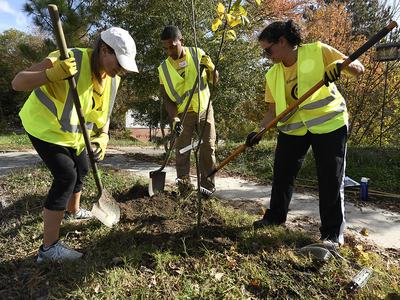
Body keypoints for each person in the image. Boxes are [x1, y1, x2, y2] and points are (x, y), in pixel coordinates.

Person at [12, 27, 138, 262]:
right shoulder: (70, 58)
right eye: (119, 62)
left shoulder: (113, 79)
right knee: (66, 176)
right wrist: (50, 74)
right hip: (44, 128)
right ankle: (48, 249)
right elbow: (18, 82)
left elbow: (106, 114)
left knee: (83, 167)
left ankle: (73, 211)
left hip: (73, 135)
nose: (121, 69)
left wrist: (104, 135)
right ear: (104, 50)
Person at [248, 20, 364, 246]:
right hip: (293, 128)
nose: (266, 55)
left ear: (282, 41)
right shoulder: (272, 75)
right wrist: (258, 131)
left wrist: (340, 65)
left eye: (268, 49)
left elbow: (358, 69)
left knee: (331, 178)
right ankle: (275, 218)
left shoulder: (317, 51)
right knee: (282, 174)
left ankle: (332, 234)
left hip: (330, 124)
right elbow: (272, 111)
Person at [158, 25, 219, 196]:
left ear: (181, 41)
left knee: (208, 148)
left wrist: (211, 68)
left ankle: (207, 190)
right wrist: (175, 118)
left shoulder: (197, 54)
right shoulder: (163, 69)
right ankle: (184, 189)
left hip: (204, 109)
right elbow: (167, 98)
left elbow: (215, 81)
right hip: (183, 115)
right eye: (166, 48)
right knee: (182, 151)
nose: (170, 51)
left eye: (172, 46)